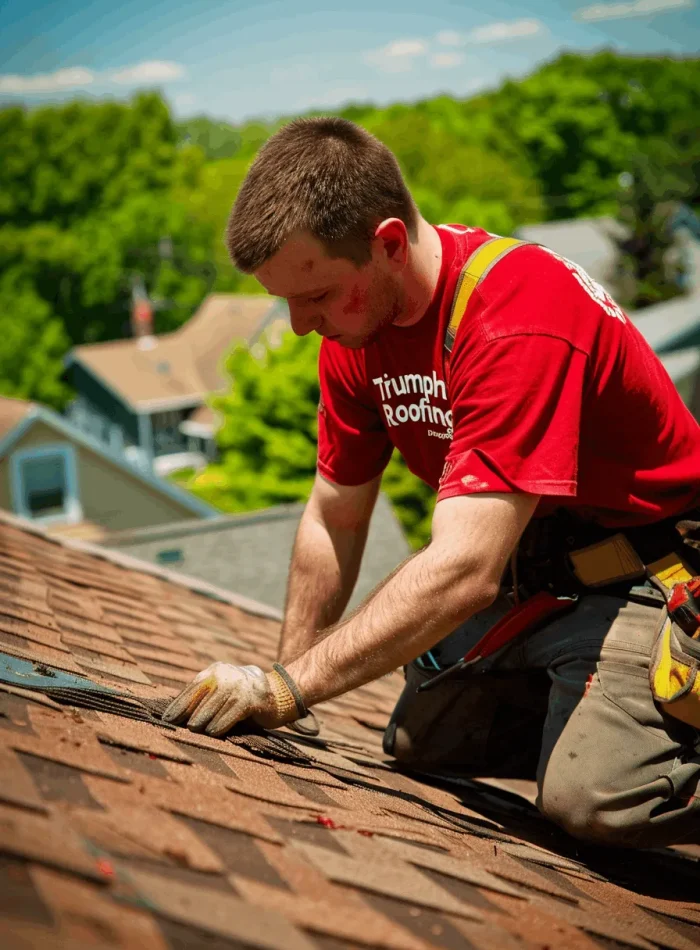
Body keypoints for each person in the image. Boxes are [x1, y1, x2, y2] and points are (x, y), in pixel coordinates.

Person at [163, 117, 700, 849]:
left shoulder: (517, 315)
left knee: (597, 801)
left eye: (315, 296)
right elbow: (334, 516)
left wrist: (284, 693)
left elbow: (466, 570)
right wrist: (288, 673)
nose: (297, 325)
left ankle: (629, 743)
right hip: (541, 578)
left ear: (387, 243)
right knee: (422, 745)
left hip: (650, 572)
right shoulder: (358, 333)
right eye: (287, 301)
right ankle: (597, 721)